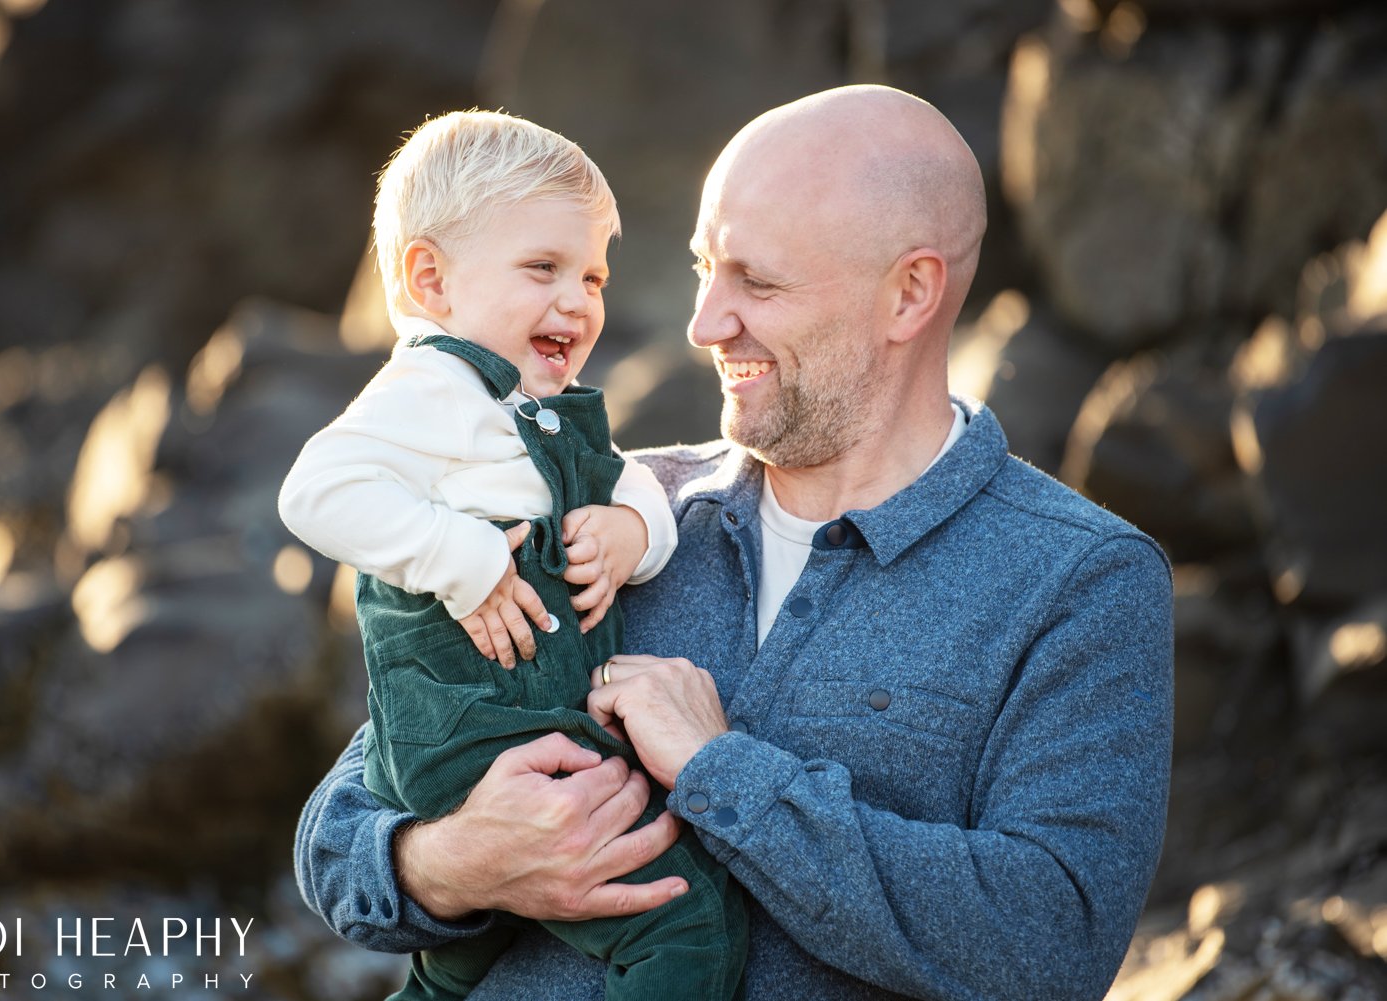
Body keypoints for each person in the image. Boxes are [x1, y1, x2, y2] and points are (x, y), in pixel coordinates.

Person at [294, 86, 1174, 1000]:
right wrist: (448, 864)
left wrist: (726, 775)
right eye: (703, 269)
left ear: (909, 293)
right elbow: (345, 820)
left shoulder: (1079, 580)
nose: (704, 322)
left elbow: (1052, 945)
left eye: (757, 281)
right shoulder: (617, 520)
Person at [278, 110, 745, 1001]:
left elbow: (632, 481)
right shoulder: (428, 388)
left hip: (519, 722)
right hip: (470, 724)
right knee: (683, 921)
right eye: (544, 268)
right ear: (432, 280)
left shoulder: (534, 405)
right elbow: (315, 488)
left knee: (457, 964)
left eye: (594, 276)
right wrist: (466, 559)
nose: (578, 301)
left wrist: (631, 532)